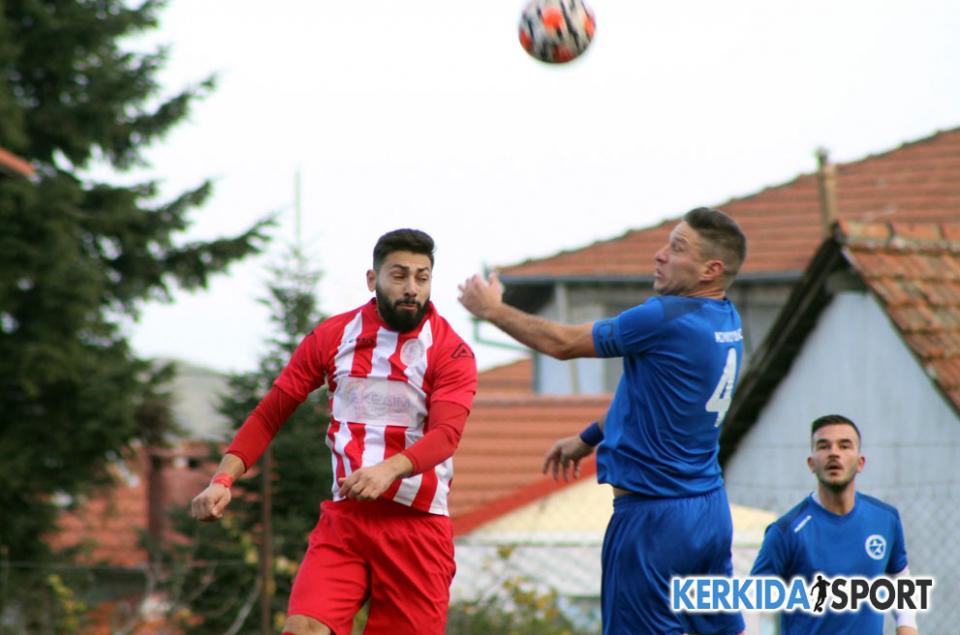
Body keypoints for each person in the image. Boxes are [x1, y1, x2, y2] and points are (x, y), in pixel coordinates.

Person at [459, 207, 748, 635]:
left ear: (711, 269)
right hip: (708, 512)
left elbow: (561, 344)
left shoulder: (665, 317)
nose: (660, 254)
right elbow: (653, 397)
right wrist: (590, 436)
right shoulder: (726, 317)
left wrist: (493, 311)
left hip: (653, 519)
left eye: (677, 247)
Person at [191, 229, 477, 635]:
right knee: (302, 628)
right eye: (399, 275)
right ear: (371, 279)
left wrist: (389, 470)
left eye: (422, 277)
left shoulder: (451, 350)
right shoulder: (333, 336)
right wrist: (223, 479)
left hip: (417, 526)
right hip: (347, 521)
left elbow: (446, 435)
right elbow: (270, 413)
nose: (412, 288)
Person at [750, 414, 920, 635]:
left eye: (844, 445)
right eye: (824, 446)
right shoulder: (786, 532)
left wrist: (907, 626)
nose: (834, 453)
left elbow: (900, 581)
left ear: (860, 463)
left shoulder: (885, 520)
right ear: (811, 463)